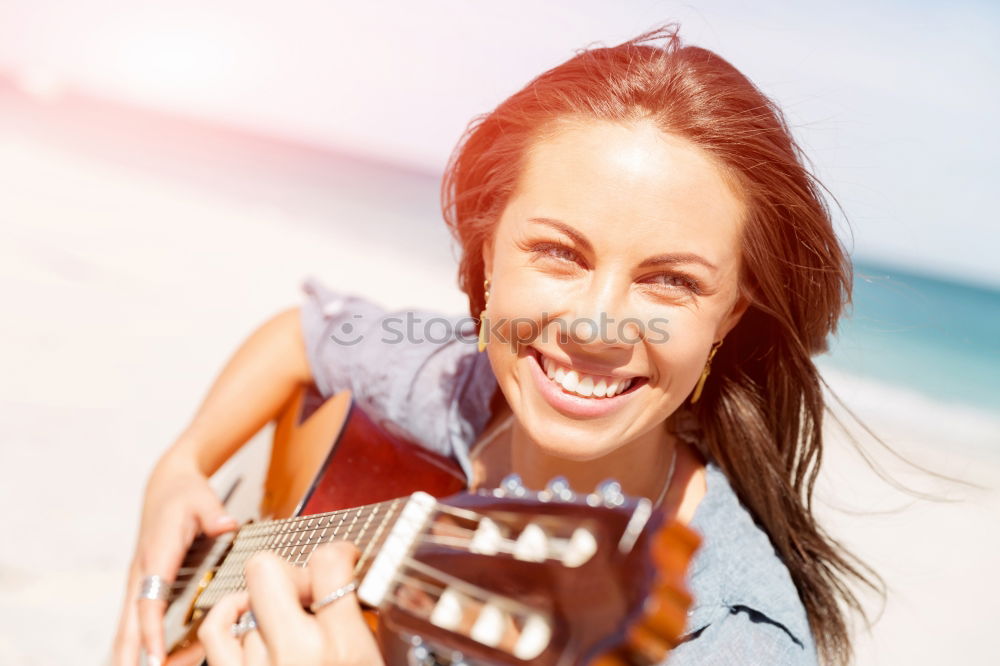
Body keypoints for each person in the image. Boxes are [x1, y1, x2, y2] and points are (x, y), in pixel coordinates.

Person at [112, 23, 881, 666]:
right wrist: (179, 467)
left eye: (671, 281)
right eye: (559, 253)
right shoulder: (460, 384)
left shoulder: (729, 640)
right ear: (485, 255)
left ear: (729, 316)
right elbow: (303, 333)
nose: (596, 326)